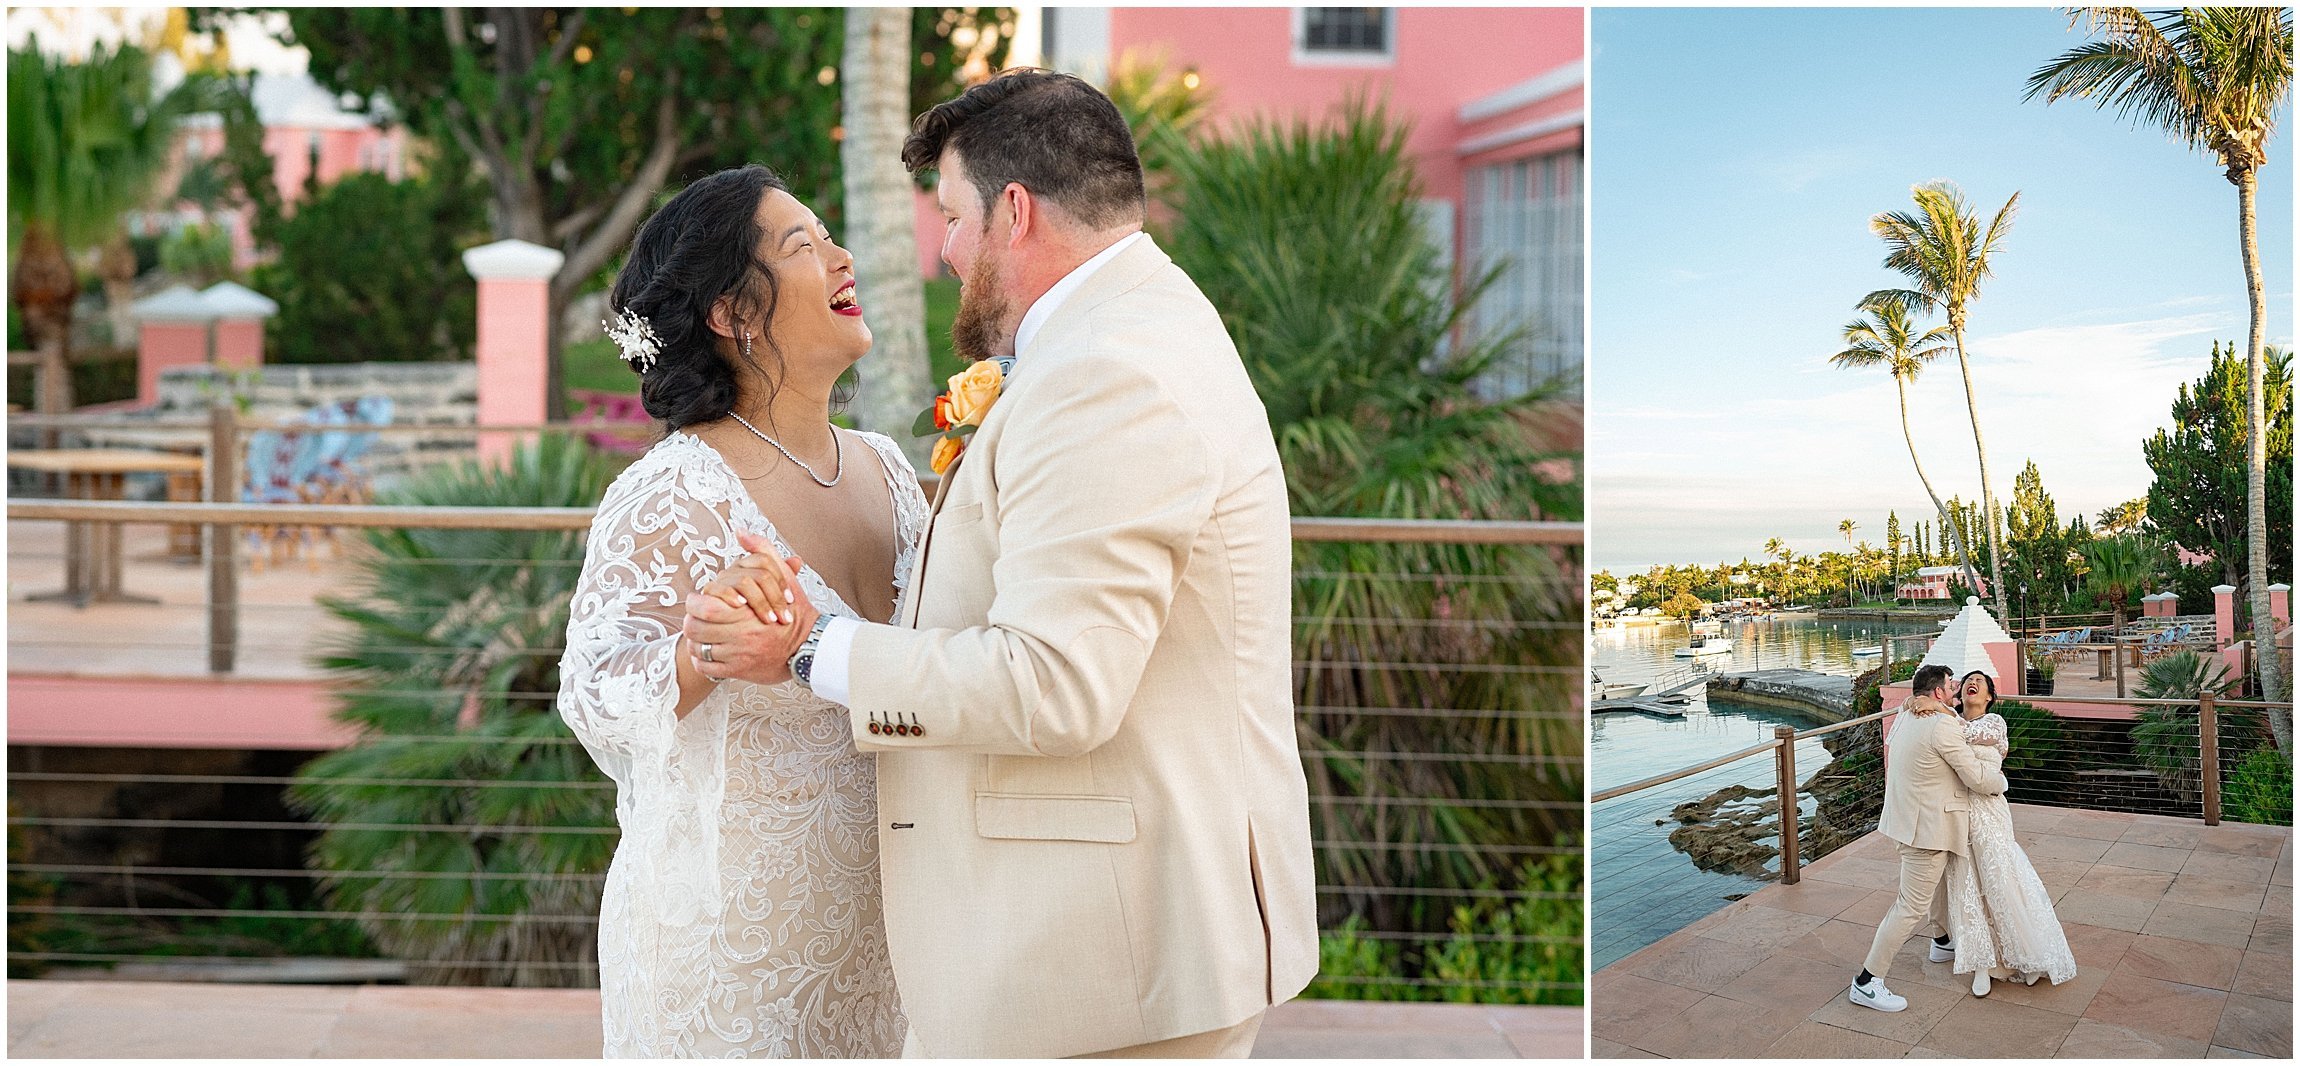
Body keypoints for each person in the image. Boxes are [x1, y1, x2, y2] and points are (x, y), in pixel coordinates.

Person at [682, 69, 1319, 1058]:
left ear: (1012, 212)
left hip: (1094, 960)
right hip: (1092, 935)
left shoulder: (1105, 373)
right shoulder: (1141, 327)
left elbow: (1057, 684)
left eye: (951, 216)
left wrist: (816, 652)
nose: (944, 251)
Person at [556, 164, 925, 1056]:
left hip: (890, 945)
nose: (842, 257)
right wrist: (698, 655)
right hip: (727, 959)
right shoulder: (670, 495)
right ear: (733, 314)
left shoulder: (890, 469)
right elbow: (591, 694)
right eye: (803, 245)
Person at [1850, 663, 2009, 1012]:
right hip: (1927, 830)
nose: (1955, 689)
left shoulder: (1906, 716)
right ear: (1938, 693)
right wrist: (2002, 784)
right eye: (1951, 685)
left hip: (1904, 821)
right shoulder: (1942, 726)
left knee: (1938, 887)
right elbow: (1976, 778)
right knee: (1909, 907)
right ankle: (1867, 981)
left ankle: (1941, 941)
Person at [1939, 670, 2079, 995]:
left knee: (2000, 879)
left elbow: (1971, 738)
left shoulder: (1994, 722)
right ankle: (1983, 964)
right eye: (1967, 680)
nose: (1971, 684)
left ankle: (2025, 954)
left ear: (1989, 695)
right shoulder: (1950, 722)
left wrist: (1940, 718)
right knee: (1968, 884)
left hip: (1989, 812)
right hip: (1958, 813)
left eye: (1980, 681)